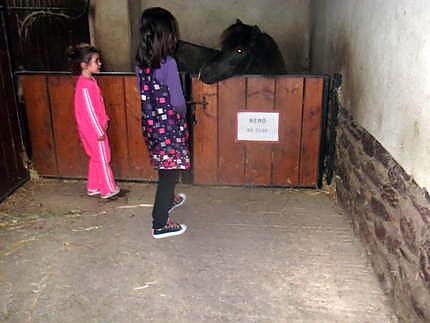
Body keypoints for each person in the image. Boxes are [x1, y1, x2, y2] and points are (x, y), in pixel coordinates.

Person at [136, 7, 190, 239]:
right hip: (169, 125)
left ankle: (170, 198)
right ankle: (160, 223)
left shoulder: (140, 63)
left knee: (164, 165)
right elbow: (177, 100)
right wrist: (183, 114)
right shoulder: (168, 63)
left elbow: (142, 91)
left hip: (151, 124)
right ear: (166, 34)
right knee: (169, 173)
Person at [67, 43, 120, 199]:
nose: (100, 63)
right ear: (84, 65)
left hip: (92, 130)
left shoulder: (89, 82)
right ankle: (108, 189)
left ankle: (94, 186)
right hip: (95, 131)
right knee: (104, 158)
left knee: (96, 157)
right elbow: (89, 112)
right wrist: (99, 130)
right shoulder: (84, 87)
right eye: (96, 61)